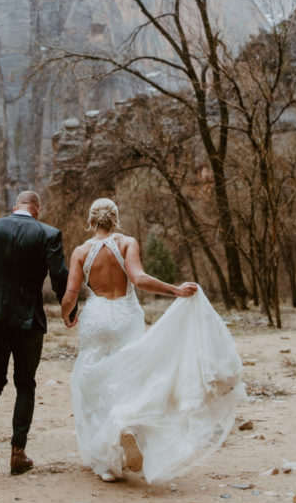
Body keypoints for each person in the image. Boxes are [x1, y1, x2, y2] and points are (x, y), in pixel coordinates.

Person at [60, 197, 246, 483]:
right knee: (130, 374)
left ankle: (107, 464)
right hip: (124, 315)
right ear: (115, 218)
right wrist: (175, 290)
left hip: (96, 317)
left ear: (91, 220)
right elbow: (139, 278)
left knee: (92, 380)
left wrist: (67, 314)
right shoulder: (126, 243)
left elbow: (71, 294)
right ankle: (128, 427)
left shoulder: (80, 252)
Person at [0, 190, 69, 475]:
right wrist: (71, 309)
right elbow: (60, 279)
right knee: (25, 384)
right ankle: (18, 453)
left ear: (14, 207)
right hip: (28, 321)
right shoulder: (49, 234)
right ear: (37, 210)